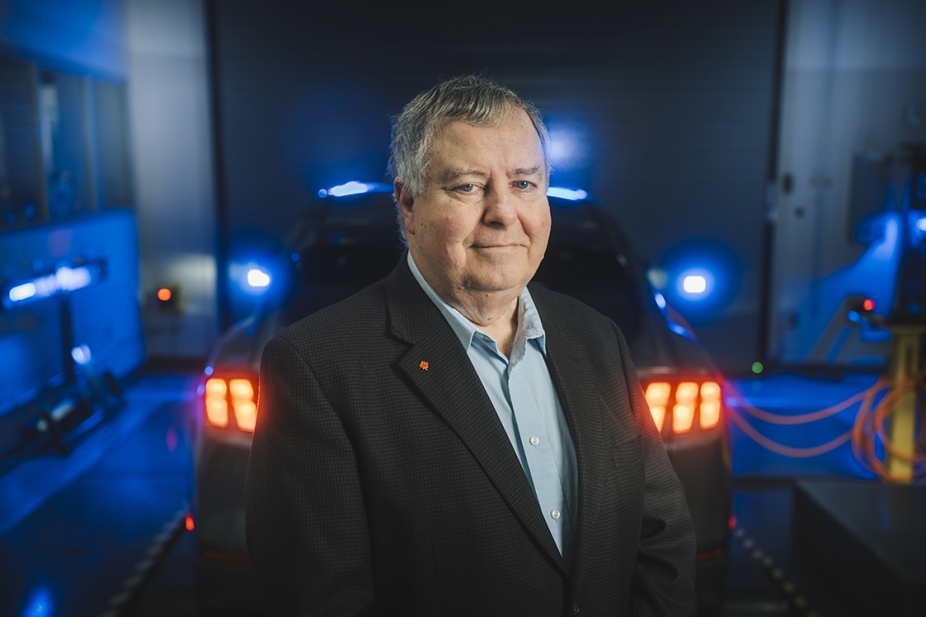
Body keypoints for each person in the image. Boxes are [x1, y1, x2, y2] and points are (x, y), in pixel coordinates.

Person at [245, 76, 696, 616]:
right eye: (468, 186)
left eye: (525, 184)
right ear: (408, 204)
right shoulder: (318, 368)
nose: (504, 212)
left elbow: (661, 532)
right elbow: (318, 600)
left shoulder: (596, 337)